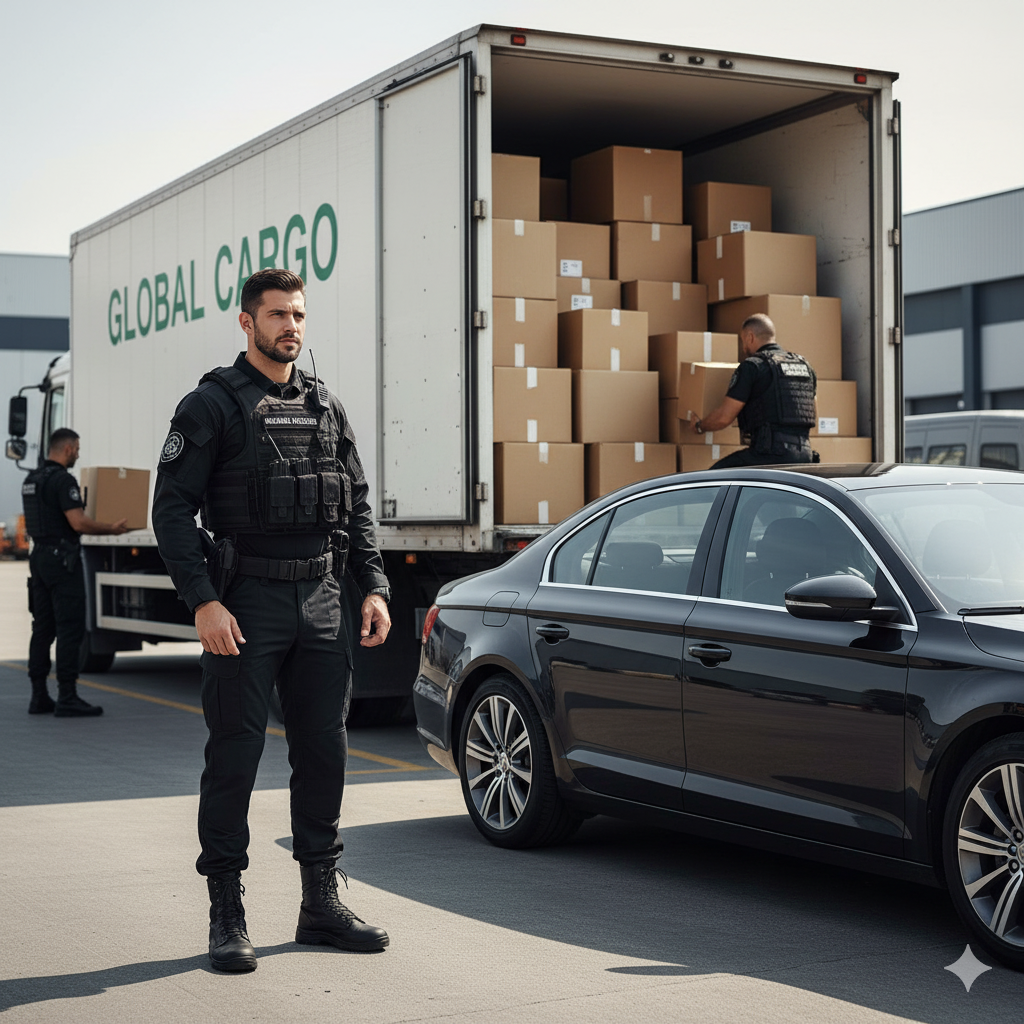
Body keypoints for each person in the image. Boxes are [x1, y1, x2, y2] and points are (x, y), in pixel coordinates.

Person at [152, 267, 392, 973]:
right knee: (235, 754)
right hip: (245, 602)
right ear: (247, 322)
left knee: (324, 753)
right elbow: (171, 510)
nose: (291, 326)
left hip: (322, 599)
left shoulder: (326, 406)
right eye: (278, 314)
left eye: (299, 315)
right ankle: (226, 912)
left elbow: (356, 504)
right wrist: (204, 600)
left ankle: (320, 903)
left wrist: (373, 587)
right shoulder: (210, 405)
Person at [22, 428, 128, 716]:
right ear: (68, 449)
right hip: (63, 561)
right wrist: (111, 529)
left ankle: (38, 696)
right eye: (77, 449)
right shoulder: (63, 480)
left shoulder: (31, 480)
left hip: (39, 558)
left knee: (42, 628)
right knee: (70, 628)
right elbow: (78, 522)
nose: (78, 454)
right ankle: (67, 696)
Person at [689, 313, 818, 468]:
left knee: (714, 476)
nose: (743, 348)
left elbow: (724, 418)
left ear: (750, 337)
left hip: (769, 454)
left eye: (743, 341)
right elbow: (813, 415)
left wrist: (699, 426)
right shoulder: (805, 366)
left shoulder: (753, 366)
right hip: (804, 456)